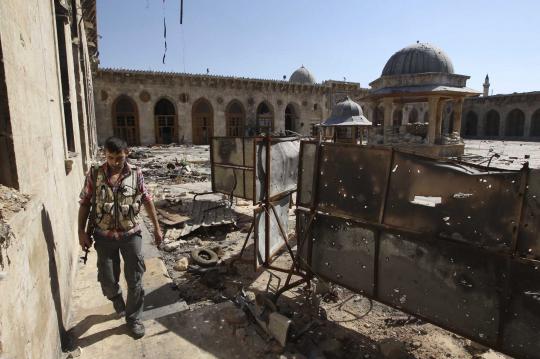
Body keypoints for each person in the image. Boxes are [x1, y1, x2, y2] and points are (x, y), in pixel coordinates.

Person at [78, 136, 163, 338]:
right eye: (110, 157)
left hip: (130, 235)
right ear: (104, 155)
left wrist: (157, 228)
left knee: (135, 280)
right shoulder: (95, 174)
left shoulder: (136, 173)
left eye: (119, 158)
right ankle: (116, 298)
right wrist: (81, 232)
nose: (115, 162)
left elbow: (147, 200)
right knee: (107, 279)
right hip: (103, 236)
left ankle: (133, 319)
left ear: (127, 153)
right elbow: (85, 203)